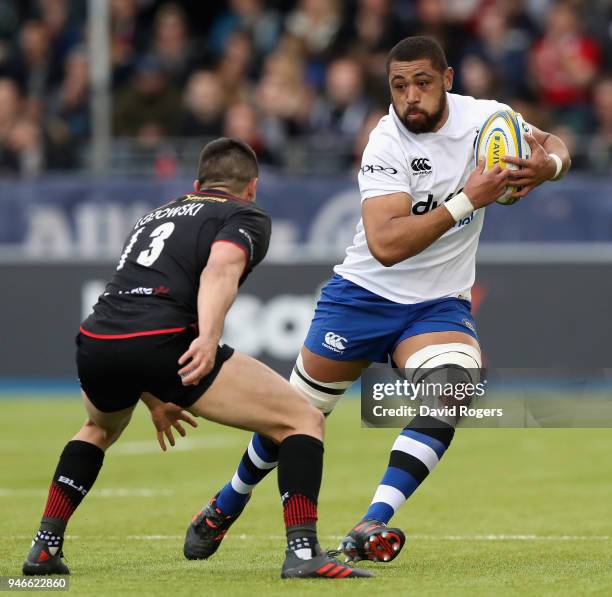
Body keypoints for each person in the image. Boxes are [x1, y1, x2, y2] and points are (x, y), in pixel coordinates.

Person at [184, 36, 571, 564]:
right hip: (363, 297)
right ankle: (228, 501)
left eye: (422, 83)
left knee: (453, 393)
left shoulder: (488, 119)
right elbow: (387, 245)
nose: (409, 96)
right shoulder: (385, 141)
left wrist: (546, 169)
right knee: (295, 417)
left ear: (448, 81)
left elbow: (555, 143)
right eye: (398, 85)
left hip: (437, 305)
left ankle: (373, 521)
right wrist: (467, 200)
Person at [22, 137, 371, 580]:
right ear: (253, 187)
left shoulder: (155, 215)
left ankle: (44, 547)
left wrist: (154, 397)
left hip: (97, 337)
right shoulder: (243, 214)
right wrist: (208, 337)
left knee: (98, 427)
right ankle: (303, 552)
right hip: (166, 339)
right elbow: (220, 268)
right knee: (302, 420)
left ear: (196, 184)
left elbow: (135, 296)